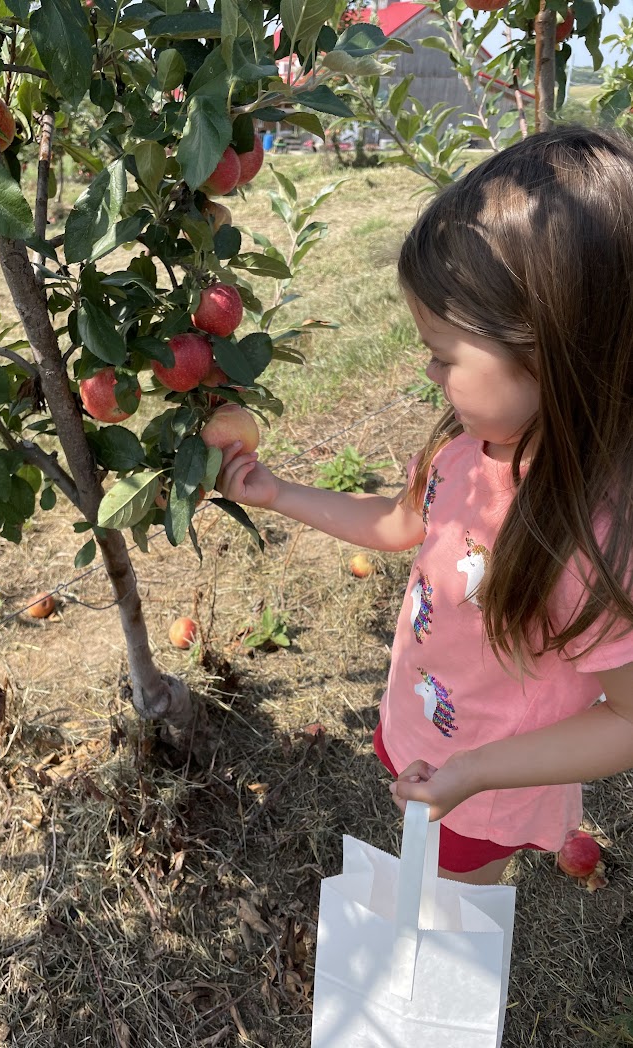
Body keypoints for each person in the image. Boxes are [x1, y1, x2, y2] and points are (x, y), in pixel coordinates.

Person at [215, 126, 633, 886]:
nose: (429, 370)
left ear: (555, 349)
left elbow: (627, 722)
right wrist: (279, 493)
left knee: (452, 917)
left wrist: (476, 772)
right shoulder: (464, 452)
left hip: (488, 783)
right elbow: (399, 524)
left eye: (446, 354)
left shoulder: (585, 535)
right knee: (430, 883)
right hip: (427, 730)